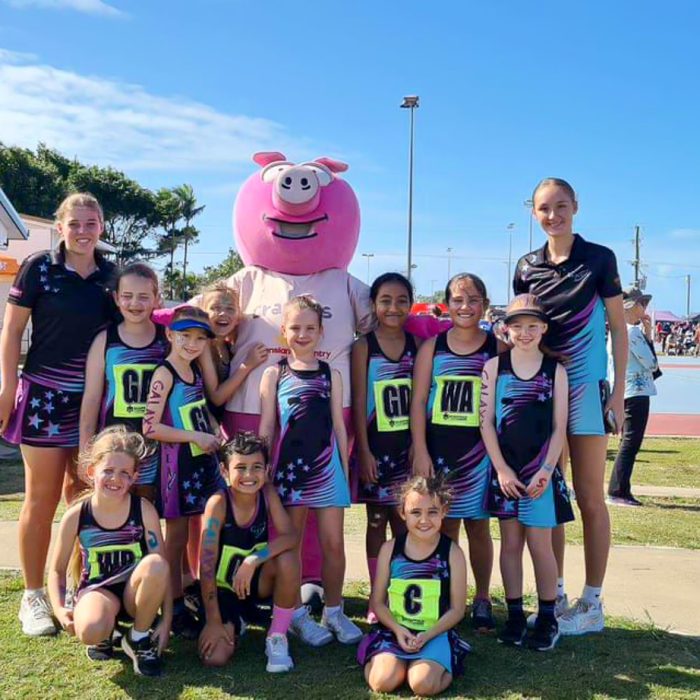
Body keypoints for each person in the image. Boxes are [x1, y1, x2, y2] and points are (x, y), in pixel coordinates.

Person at [514, 178, 628, 635]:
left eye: (561, 206)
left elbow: (619, 329)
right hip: (540, 390)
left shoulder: (600, 259)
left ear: (575, 207)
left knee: (589, 497)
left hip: (584, 391)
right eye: (544, 208)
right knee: (550, 496)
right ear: (533, 212)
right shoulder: (526, 266)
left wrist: (617, 393)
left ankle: (593, 601)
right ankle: (554, 592)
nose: (552, 215)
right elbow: (520, 326)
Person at [0, 192, 117, 636]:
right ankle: (33, 596)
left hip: (94, 403)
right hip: (44, 398)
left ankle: (80, 588)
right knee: (41, 499)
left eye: (92, 223)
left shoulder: (112, 276)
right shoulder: (38, 268)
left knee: (85, 500)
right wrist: (7, 387)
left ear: (101, 227)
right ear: (61, 226)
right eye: (75, 224)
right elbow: (11, 331)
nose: (84, 231)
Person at [259, 295, 362, 646]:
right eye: (295, 328)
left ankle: (334, 611)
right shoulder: (274, 374)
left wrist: (344, 469)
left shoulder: (332, 374)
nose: (302, 334)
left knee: (333, 543)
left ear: (320, 332)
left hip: (327, 470)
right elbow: (267, 429)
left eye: (310, 328)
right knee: (293, 545)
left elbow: (338, 425)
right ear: (284, 331)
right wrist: (263, 471)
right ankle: (296, 616)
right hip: (290, 473)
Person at [411, 273, 505, 633]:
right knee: (444, 527)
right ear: (446, 304)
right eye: (457, 300)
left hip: (479, 455)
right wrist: (420, 450)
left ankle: (482, 598)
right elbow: (420, 402)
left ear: (484, 303)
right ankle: (449, 596)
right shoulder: (432, 348)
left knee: (479, 527)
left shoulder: (497, 348)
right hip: (439, 453)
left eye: (473, 299)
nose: (465, 307)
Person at [480, 294, 574, 651]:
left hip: (539, 474)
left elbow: (558, 428)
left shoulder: (555, 371)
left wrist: (546, 472)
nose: (524, 333)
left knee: (540, 544)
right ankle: (516, 614)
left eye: (532, 325)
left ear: (544, 328)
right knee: (510, 545)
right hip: (506, 473)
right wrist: (502, 469)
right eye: (517, 326)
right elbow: (486, 424)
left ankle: (548, 617)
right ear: (506, 328)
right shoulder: (494, 367)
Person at [47, 426, 172, 676]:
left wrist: (167, 619)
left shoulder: (143, 510)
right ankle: (106, 630)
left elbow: (163, 568)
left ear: (135, 476)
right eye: (108, 471)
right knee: (91, 631)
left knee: (156, 563)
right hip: (98, 591)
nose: (116, 479)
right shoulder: (77, 515)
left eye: (124, 473)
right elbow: (56, 570)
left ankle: (137, 637)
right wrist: (60, 609)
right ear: (91, 471)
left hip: (134, 594)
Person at [143, 306, 225, 637]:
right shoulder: (165, 373)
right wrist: (194, 436)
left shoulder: (194, 372)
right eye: (185, 336)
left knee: (196, 528)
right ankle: (171, 605)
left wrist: (213, 430)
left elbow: (196, 410)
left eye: (199, 338)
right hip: (177, 464)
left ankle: (192, 595)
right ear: (170, 335)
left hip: (200, 462)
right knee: (175, 537)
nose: (192, 343)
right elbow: (150, 427)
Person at [357, 476, 470, 696]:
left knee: (422, 685)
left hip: (435, 633)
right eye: (416, 512)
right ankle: (378, 655)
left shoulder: (452, 553)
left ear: (444, 512)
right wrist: (399, 630)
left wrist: (427, 636)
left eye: (432, 512)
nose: (424, 520)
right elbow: (378, 603)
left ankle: (448, 659)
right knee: (382, 683)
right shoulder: (390, 549)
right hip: (395, 631)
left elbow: (457, 609)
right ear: (402, 513)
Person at [197, 431, 300, 672]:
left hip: (255, 582)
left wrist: (254, 560)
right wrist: (213, 621)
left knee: (287, 559)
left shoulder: (267, 494)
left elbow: (291, 536)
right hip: (223, 591)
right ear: (224, 471)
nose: (249, 475)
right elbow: (206, 566)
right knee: (215, 658)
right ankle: (236, 620)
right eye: (240, 468)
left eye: (256, 467)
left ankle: (277, 636)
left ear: (266, 470)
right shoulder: (218, 504)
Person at [351, 273, 418, 622]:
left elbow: (421, 402)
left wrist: (418, 447)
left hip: (407, 450)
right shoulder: (364, 345)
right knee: (376, 520)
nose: (394, 307)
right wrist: (363, 451)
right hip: (376, 449)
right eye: (386, 300)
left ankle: (402, 589)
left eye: (402, 300)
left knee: (405, 523)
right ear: (374, 305)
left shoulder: (416, 346)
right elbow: (360, 401)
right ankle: (377, 598)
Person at [80, 263, 167, 500]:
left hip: (157, 446)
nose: (135, 304)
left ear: (156, 298)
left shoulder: (167, 340)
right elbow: (92, 398)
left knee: (147, 511)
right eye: (127, 296)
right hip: (114, 447)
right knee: (110, 509)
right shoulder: (106, 340)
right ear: (117, 298)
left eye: (143, 297)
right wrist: (85, 450)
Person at [607, 288, 657, 506]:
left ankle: (620, 489)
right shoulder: (632, 332)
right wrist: (648, 337)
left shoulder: (616, 332)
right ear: (631, 306)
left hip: (623, 390)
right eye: (641, 304)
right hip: (636, 391)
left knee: (627, 441)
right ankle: (618, 490)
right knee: (631, 442)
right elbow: (651, 362)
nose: (644, 308)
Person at [197, 281, 268, 426]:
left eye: (230, 309)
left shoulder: (228, 345)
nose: (223, 313)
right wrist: (247, 365)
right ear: (203, 313)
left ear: (237, 318)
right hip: (201, 424)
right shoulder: (203, 345)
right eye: (215, 308)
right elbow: (216, 397)